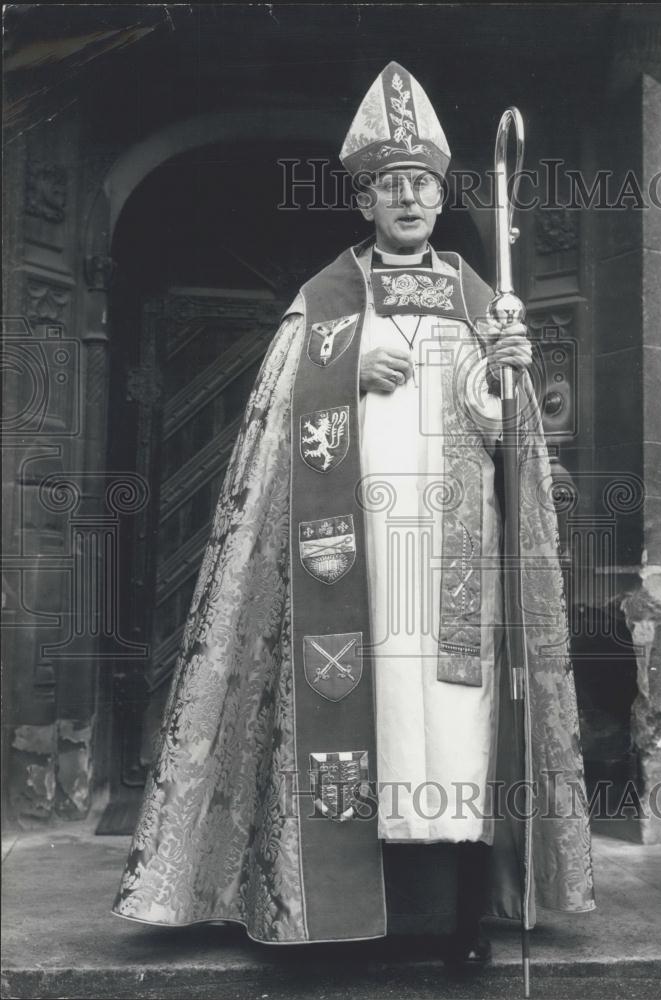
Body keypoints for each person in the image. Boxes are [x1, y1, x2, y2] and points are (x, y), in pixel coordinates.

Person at [112, 61, 594, 963]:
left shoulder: (479, 302)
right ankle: (340, 914)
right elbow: (272, 424)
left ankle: (459, 921)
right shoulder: (324, 306)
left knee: (457, 729)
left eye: (422, 185)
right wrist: (343, 376)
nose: (408, 198)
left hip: (452, 559)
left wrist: (508, 375)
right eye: (391, 185)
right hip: (353, 556)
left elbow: (508, 440)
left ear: (441, 196)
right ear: (365, 199)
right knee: (366, 720)